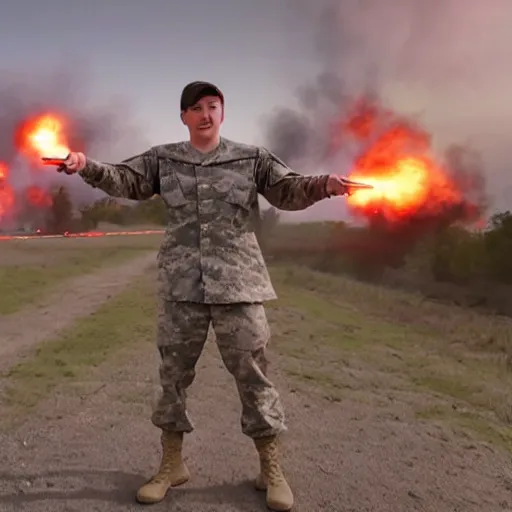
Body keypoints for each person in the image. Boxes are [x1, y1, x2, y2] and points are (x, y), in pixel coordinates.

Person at [60, 81, 352, 512]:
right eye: (195, 108)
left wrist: (326, 184)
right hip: (182, 288)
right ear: (183, 117)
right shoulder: (164, 159)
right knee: (172, 377)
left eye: (213, 106)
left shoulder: (251, 159)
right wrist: (85, 165)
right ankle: (171, 465)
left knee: (255, 377)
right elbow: (126, 180)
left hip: (240, 286)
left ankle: (270, 469)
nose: (205, 114)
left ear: (223, 112)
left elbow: (288, 190)